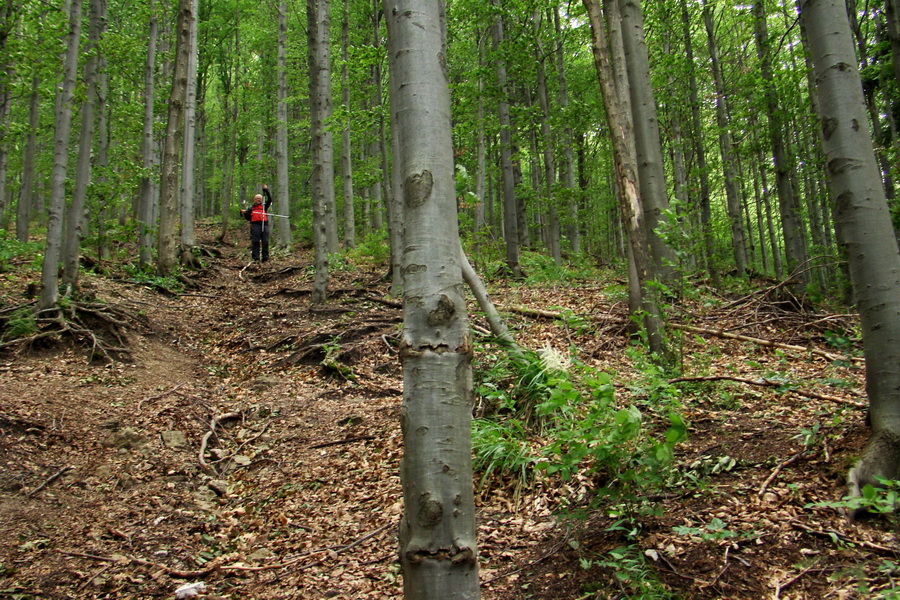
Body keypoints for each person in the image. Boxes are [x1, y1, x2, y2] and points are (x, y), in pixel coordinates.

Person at [240, 185, 273, 262]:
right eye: (257, 199)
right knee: (255, 241)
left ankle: (265, 257)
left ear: (262, 200)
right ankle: (256, 257)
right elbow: (248, 218)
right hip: (255, 225)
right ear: (254, 200)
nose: (258, 200)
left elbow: (270, 199)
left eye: (260, 199)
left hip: (264, 225)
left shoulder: (264, 206)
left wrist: (266, 190)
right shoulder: (251, 208)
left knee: (265, 241)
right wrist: (244, 213)